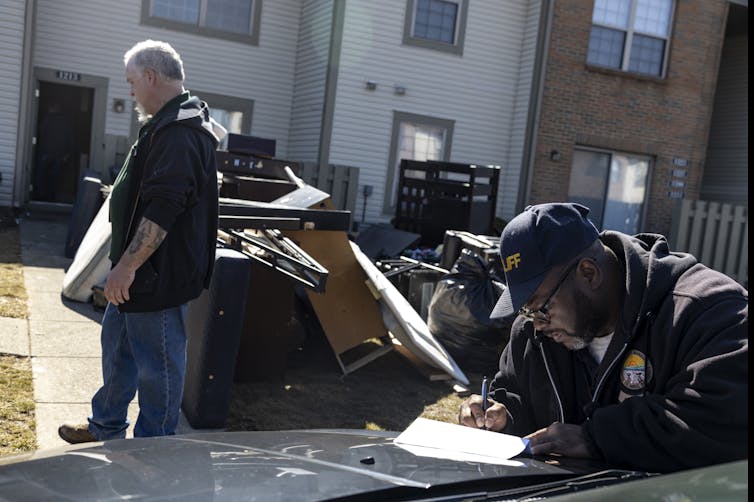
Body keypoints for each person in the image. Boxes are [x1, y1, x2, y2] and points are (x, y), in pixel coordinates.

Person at [458, 202, 748, 473]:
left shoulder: (710, 311)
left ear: (588, 273)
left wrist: (597, 438)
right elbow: (518, 396)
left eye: (541, 309)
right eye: (526, 310)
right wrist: (502, 417)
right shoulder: (534, 333)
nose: (536, 325)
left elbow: (723, 420)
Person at [59, 39, 224, 443]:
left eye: (132, 81)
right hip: (138, 273)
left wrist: (127, 267)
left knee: (159, 368)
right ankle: (106, 426)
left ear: (151, 76)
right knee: (118, 350)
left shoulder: (181, 134)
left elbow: (164, 208)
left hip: (157, 276)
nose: (130, 90)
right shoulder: (167, 123)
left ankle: (155, 449)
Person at [34, 102, 74, 201]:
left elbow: (41, 133)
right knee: (54, 176)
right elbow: (70, 138)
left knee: (42, 175)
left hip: (46, 152)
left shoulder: (47, 119)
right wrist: (68, 154)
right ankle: (51, 197)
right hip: (59, 154)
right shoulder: (65, 122)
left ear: (52, 108)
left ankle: (40, 195)